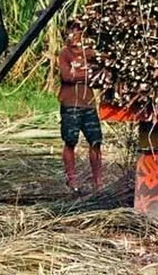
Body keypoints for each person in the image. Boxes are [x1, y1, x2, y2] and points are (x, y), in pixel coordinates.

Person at [58, 20, 103, 193]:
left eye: (77, 31)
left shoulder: (90, 54)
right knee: (70, 141)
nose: (74, 35)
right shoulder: (64, 54)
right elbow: (66, 76)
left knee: (96, 141)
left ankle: (98, 182)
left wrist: (80, 73)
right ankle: (72, 180)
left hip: (88, 104)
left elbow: (98, 75)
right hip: (70, 104)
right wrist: (86, 73)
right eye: (71, 31)